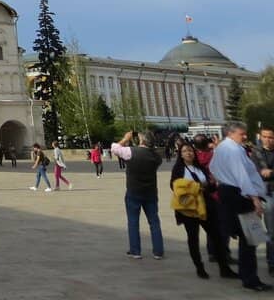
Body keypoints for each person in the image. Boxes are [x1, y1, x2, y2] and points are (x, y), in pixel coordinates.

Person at [210, 120, 272, 291]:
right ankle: (250, 278)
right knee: (250, 237)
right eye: (241, 133)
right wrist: (255, 199)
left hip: (228, 193)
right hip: (240, 196)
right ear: (230, 133)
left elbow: (212, 168)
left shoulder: (221, 148)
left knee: (242, 235)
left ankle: (245, 274)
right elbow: (242, 176)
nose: (245, 136)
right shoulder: (234, 150)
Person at [170, 142, 232, 279]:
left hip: (206, 207)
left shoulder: (201, 168)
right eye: (185, 151)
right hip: (189, 210)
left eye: (191, 150)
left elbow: (210, 188)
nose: (189, 153)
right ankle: (199, 267)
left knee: (217, 237)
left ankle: (224, 268)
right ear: (180, 154)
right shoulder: (178, 169)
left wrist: (212, 184)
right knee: (193, 239)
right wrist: (197, 187)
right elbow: (175, 187)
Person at [111, 130, 164, 259]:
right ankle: (158, 251)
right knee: (154, 222)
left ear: (142, 140)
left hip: (134, 191)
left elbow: (114, 148)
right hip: (150, 192)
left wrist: (125, 138)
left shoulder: (131, 152)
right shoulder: (157, 157)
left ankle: (135, 250)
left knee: (133, 222)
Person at [253, 126, 274, 277]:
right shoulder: (256, 152)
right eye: (265, 136)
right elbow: (261, 172)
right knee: (272, 231)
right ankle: (272, 262)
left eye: (271, 137)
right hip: (267, 194)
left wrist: (269, 172)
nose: (268, 139)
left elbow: (267, 172)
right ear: (260, 137)